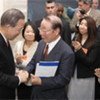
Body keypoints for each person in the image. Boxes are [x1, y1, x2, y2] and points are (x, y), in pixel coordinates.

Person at [25, 15, 75, 100]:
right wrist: (26, 71)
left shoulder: (67, 52)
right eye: (40, 29)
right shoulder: (41, 43)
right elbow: (33, 61)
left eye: (44, 30)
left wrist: (41, 81)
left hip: (53, 96)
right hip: (36, 94)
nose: (40, 33)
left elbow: (63, 79)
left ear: (56, 31)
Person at [68, 16, 100, 100]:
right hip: (74, 74)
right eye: (81, 24)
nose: (82, 26)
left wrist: (79, 50)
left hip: (86, 76)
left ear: (90, 27)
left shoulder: (95, 42)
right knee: (72, 96)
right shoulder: (76, 37)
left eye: (85, 25)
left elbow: (90, 61)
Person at [0, 8, 29, 99]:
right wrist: (19, 79)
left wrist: (15, 72)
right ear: (8, 26)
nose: (19, 33)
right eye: (19, 29)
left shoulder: (5, 40)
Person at [13, 20, 38, 100]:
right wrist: (17, 61)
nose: (30, 34)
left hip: (32, 81)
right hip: (20, 79)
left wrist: (21, 62)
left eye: (32, 32)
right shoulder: (18, 44)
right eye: (27, 31)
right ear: (23, 32)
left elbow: (34, 64)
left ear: (36, 33)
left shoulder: (39, 46)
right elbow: (13, 62)